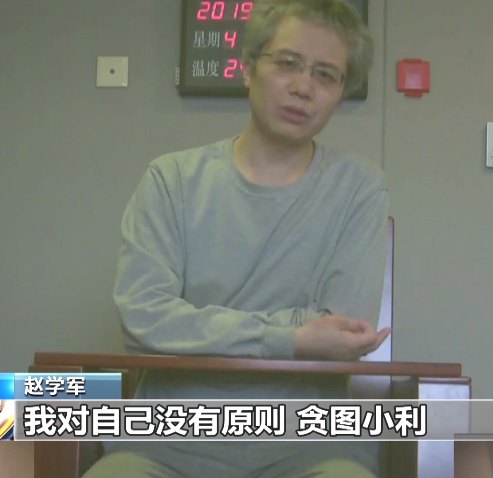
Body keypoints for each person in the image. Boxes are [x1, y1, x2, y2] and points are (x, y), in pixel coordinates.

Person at [84, 0, 390, 476]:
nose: (303, 87)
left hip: (311, 446)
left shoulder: (359, 188)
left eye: (325, 75)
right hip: (166, 443)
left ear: (340, 93)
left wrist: (197, 326)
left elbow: (344, 329)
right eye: (287, 63)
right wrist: (292, 337)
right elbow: (144, 320)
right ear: (248, 69)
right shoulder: (171, 179)